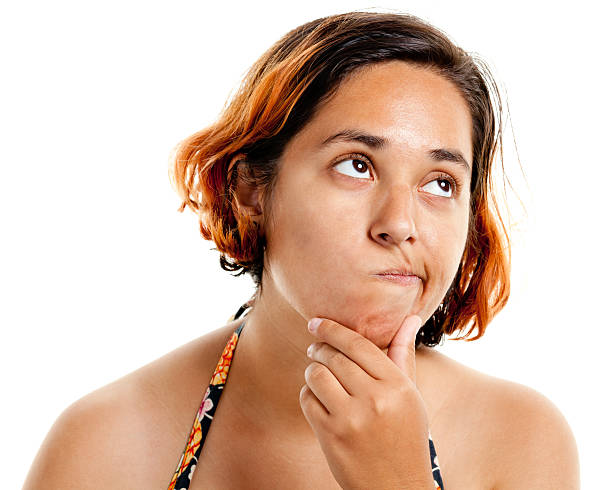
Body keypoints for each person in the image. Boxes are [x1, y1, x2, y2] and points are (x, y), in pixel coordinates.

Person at [23, 11, 579, 489]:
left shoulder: (521, 439)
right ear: (250, 192)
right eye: (357, 166)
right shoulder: (102, 446)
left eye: (440, 183)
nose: (400, 225)